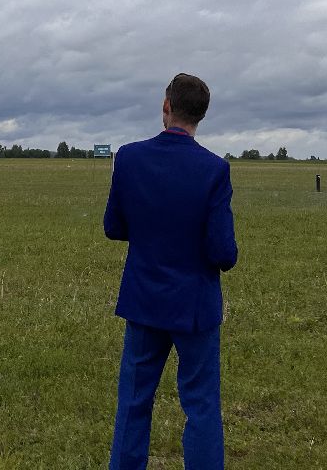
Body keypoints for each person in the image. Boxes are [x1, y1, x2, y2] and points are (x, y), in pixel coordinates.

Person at [104, 73, 238, 470]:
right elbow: (222, 253)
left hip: (144, 301)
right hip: (195, 306)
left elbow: (114, 227)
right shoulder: (214, 169)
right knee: (201, 405)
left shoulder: (128, 157)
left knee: (133, 402)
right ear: (202, 116)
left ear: (166, 106)